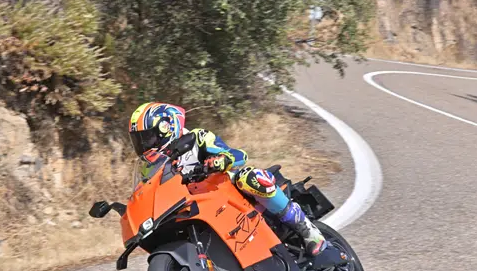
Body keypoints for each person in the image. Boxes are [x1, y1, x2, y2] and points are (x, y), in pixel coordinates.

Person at [128, 101, 330, 256]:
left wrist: (220, 160)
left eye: (147, 137)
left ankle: (305, 228)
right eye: (139, 140)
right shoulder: (150, 166)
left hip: (225, 190)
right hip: (193, 205)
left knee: (250, 177)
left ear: (167, 126)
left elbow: (239, 155)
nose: (144, 145)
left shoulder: (197, 137)